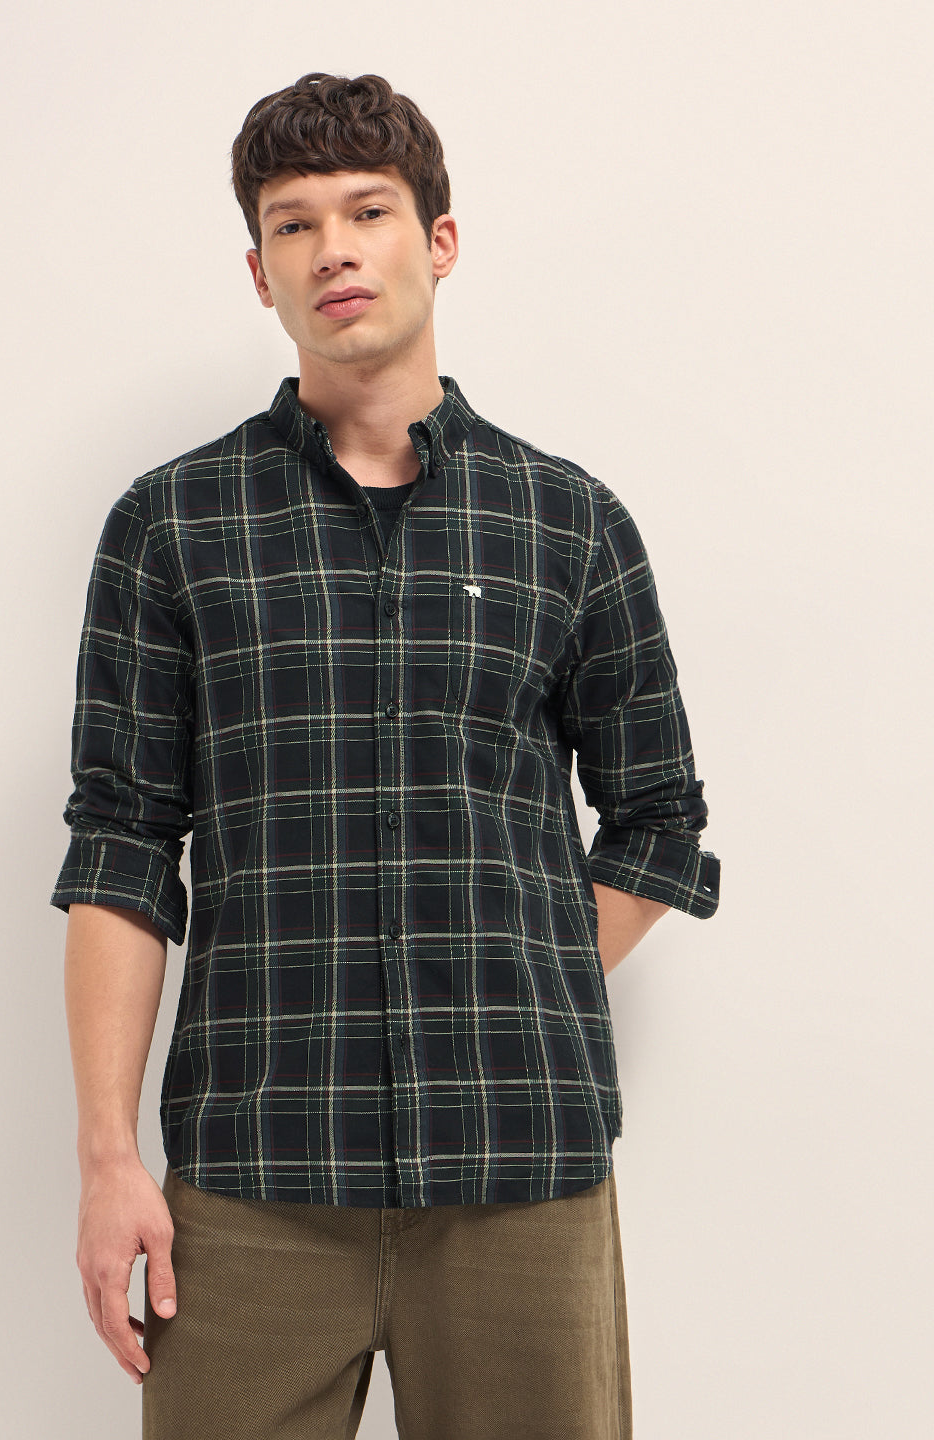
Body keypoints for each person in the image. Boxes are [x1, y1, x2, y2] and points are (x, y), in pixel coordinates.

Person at [51, 71, 720, 1440]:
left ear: (440, 240)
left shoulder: (567, 522)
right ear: (260, 274)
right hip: (251, 1176)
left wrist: (516, 970)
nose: (333, 250)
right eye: (293, 225)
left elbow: (658, 818)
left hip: (520, 1170)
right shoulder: (172, 526)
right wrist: (109, 1161)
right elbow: (122, 845)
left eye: (368, 211)